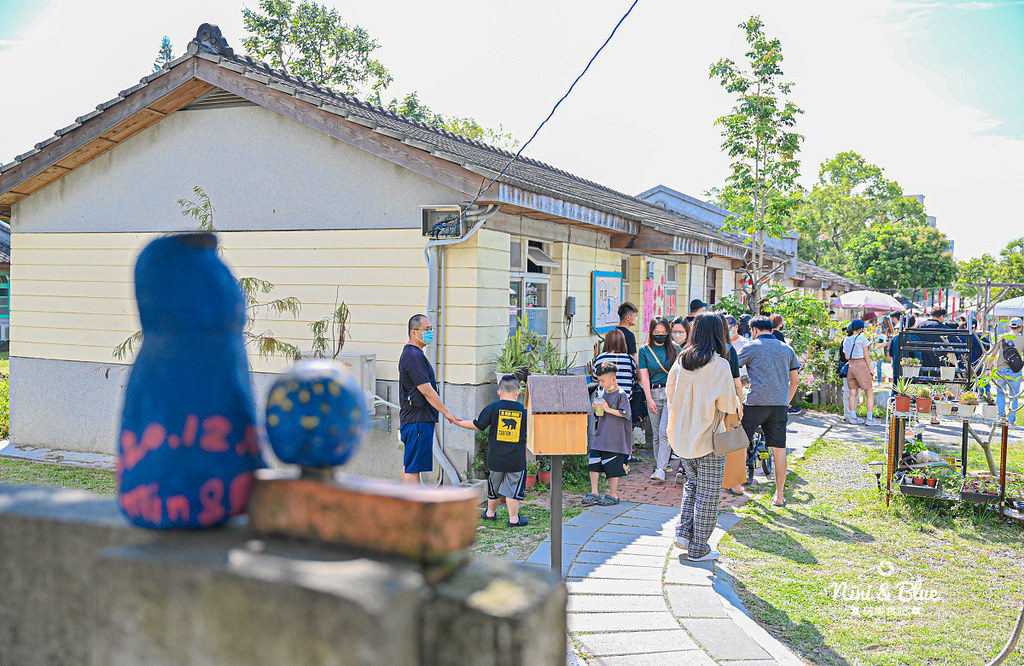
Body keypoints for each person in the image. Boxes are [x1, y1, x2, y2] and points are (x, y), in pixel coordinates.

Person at [665, 313, 740, 561]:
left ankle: (683, 533)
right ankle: (699, 548)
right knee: (709, 493)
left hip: (681, 435)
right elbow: (728, 405)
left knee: (693, 485)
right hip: (708, 437)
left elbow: (670, 393)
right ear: (720, 333)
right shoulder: (720, 365)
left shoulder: (681, 359)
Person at [737, 315, 800, 507]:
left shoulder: (751, 347)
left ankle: (738, 484)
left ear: (754, 331)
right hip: (779, 406)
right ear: (772, 330)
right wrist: (785, 402)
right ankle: (779, 495)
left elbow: (732, 370)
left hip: (755, 403)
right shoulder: (787, 349)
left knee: (740, 443)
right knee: (779, 450)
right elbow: (795, 381)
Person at [454, 375, 529, 526]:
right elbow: (531, 433)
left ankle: (490, 513)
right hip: (516, 458)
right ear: (518, 392)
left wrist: (458, 422)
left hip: (495, 458)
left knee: (494, 486)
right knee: (513, 488)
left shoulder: (493, 408)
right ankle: (514, 519)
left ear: (499, 392)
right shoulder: (523, 411)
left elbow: (478, 425)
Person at [399, 315, 458, 483]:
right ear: (414, 332)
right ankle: (414, 508)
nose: (431, 333)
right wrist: (446, 412)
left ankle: (406, 505)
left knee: (409, 466)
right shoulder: (413, 356)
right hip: (417, 420)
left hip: (415, 420)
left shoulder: (413, 353)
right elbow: (426, 389)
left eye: (431, 329)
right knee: (413, 469)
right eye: (427, 330)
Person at [584, 362, 632, 507]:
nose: (601, 383)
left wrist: (607, 408)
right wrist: (597, 408)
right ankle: (594, 492)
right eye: (599, 380)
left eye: (603, 380)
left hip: (615, 438)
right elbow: (601, 415)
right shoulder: (603, 393)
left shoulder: (621, 394)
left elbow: (626, 414)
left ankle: (613, 494)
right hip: (601, 435)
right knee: (594, 462)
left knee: (612, 466)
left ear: (613, 379)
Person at [639, 317, 678, 482]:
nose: (660, 335)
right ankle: (661, 464)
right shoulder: (644, 350)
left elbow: (679, 375)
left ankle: (660, 469)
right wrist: (648, 398)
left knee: (664, 432)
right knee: (655, 433)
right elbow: (644, 375)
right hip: (653, 393)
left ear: (668, 333)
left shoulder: (675, 349)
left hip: (670, 394)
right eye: (657, 333)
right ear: (651, 332)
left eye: (663, 333)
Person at [843, 319, 878, 426]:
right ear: (861, 329)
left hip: (851, 366)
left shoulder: (846, 339)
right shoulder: (862, 338)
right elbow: (866, 355)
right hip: (861, 365)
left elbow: (846, 356)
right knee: (869, 391)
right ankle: (870, 419)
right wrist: (871, 369)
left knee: (853, 392)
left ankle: (853, 417)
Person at [995, 317, 1024, 422]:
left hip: (1001, 370)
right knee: (1014, 396)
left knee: (1000, 394)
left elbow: (993, 354)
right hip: (1016, 371)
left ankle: (1001, 417)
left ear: (1009, 326)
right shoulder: (1022, 339)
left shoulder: (1001, 337)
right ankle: (1011, 420)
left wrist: (989, 368)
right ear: (1021, 327)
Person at [592, 328, 635, 398]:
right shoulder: (629, 359)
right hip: (625, 399)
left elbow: (595, 379)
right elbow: (633, 378)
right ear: (623, 342)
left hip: (604, 400)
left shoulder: (600, 358)